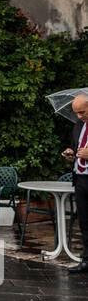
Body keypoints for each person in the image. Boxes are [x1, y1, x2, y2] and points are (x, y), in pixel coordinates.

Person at [62, 93, 88, 275]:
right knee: (84, 221)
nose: (79, 116)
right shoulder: (79, 125)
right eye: (76, 113)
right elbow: (75, 146)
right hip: (80, 178)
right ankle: (86, 260)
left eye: (82, 112)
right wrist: (70, 152)